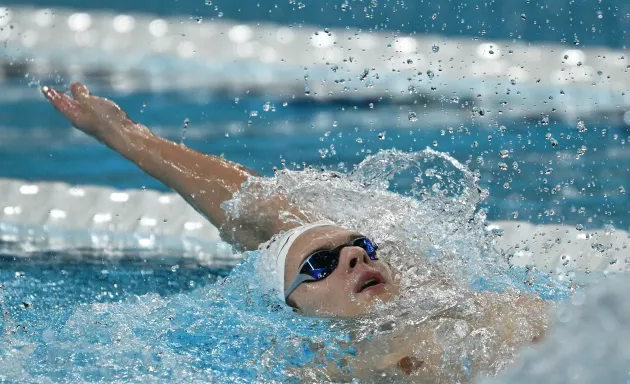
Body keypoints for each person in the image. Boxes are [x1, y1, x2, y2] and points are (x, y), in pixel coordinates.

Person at [42, 83, 550, 380]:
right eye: (320, 265)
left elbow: (261, 210)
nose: (355, 258)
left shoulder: (437, 292)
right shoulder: (335, 372)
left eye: (361, 246)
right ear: (293, 308)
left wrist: (128, 136)